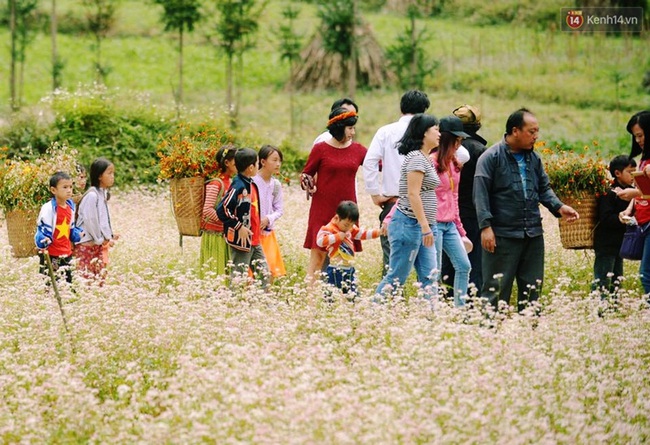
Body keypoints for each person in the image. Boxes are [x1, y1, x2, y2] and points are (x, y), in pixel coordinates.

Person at [474, 108, 579, 312]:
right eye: (532, 131)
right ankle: (489, 336)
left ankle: (529, 333)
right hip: (502, 235)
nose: (536, 136)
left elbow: (543, 189)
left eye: (537, 131)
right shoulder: (491, 157)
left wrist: (559, 207)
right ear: (515, 131)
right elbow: (480, 194)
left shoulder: (534, 159)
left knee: (532, 289)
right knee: (496, 290)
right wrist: (485, 227)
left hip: (532, 234)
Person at [362, 90, 431, 275]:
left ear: (401, 108)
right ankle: (428, 299)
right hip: (425, 206)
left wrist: (375, 193)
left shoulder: (385, 131)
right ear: (424, 111)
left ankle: (389, 300)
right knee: (428, 263)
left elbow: (370, 162)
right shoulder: (430, 132)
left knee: (391, 262)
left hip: (393, 204)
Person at [375, 114, 441, 300]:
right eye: (435, 129)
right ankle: (374, 311)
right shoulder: (417, 159)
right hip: (410, 225)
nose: (439, 134)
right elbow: (413, 194)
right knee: (396, 277)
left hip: (423, 226)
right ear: (423, 133)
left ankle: (430, 319)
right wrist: (425, 227)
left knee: (430, 276)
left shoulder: (425, 158)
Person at [301, 107, 367, 281]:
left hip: (347, 213)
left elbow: (378, 165)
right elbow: (306, 173)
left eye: (354, 128)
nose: (353, 132)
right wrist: (308, 183)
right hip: (322, 209)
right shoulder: (320, 149)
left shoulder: (359, 150)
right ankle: (311, 304)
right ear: (339, 128)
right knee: (318, 259)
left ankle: (341, 302)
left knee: (343, 259)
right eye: (350, 128)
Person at [440, 104, 487, 298]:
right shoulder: (481, 150)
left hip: (445, 213)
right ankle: (470, 300)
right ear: (477, 126)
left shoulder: (440, 149)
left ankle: (445, 297)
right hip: (472, 212)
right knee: (473, 261)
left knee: (446, 261)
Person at [432, 115, 472, 307]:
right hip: (434, 224)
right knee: (435, 271)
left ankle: (460, 309)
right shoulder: (431, 163)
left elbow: (454, 198)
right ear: (448, 138)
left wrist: (461, 229)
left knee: (464, 266)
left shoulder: (455, 164)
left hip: (450, 225)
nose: (460, 143)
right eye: (457, 139)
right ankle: (431, 312)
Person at [217, 147, 270, 288]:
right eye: (257, 163)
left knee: (264, 273)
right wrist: (238, 226)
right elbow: (222, 209)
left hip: (255, 239)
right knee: (238, 276)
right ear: (251, 167)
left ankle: (263, 303)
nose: (259, 166)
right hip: (242, 241)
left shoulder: (250, 183)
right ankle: (233, 305)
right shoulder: (238, 186)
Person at [317, 200, 382, 298]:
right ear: (337, 218)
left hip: (349, 269)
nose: (349, 228)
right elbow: (320, 241)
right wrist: (337, 236)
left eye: (352, 225)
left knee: (352, 296)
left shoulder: (349, 228)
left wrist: (379, 232)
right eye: (346, 225)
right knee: (330, 297)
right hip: (335, 269)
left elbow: (362, 234)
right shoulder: (329, 228)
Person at [593, 155, 636, 295]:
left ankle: (614, 310)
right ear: (617, 173)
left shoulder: (632, 192)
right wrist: (620, 218)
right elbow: (605, 218)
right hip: (606, 244)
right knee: (603, 280)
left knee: (617, 280)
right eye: (630, 172)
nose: (633, 176)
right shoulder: (608, 192)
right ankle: (599, 310)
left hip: (620, 244)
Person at [619, 111, 650, 295]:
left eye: (640, 135)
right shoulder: (644, 159)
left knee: (646, 274)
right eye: (635, 136)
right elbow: (643, 191)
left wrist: (634, 193)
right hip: (644, 222)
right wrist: (629, 209)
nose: (638, 140)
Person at [75, 158, 119, 285]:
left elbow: (102, 220)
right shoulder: (92, 195)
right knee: (87, 280)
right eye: (109, 173)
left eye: (113, 173)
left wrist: (109, 235)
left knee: (99, 280)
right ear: (100, 176)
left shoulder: (101, 194)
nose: (112, 177)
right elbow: (91, 220)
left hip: (96, 244)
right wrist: (100, 238)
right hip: (87, 245)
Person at [35, 172, 83, 284]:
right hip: (52, 253)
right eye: (65, 187)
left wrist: (78, 234)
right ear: (53, 190)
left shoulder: (70, 206)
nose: (69, 190)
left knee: (68, 282)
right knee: (51, 282)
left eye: (71, 187)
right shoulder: (48, 209)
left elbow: (70, 228)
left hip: (66, 252)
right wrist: (43, 240)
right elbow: (41, 228)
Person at [200, 144, 238, 276]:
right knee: (215, 270)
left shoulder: (232, 182)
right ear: (227, 162)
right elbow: (207, 210)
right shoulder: (216, 184)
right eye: (236, 160)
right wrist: (227, 221)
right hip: (214, 235)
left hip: (226, 235)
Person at [253, 144, 286, 280]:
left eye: (279, 161)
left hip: (268, 233)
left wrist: (268, 218)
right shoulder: (252, 181)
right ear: (262, 161)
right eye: (274, 160)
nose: (278, 164)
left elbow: (279, 209)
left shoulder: (275, 184)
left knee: (270, 272)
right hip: (253, 234)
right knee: (252, 274)